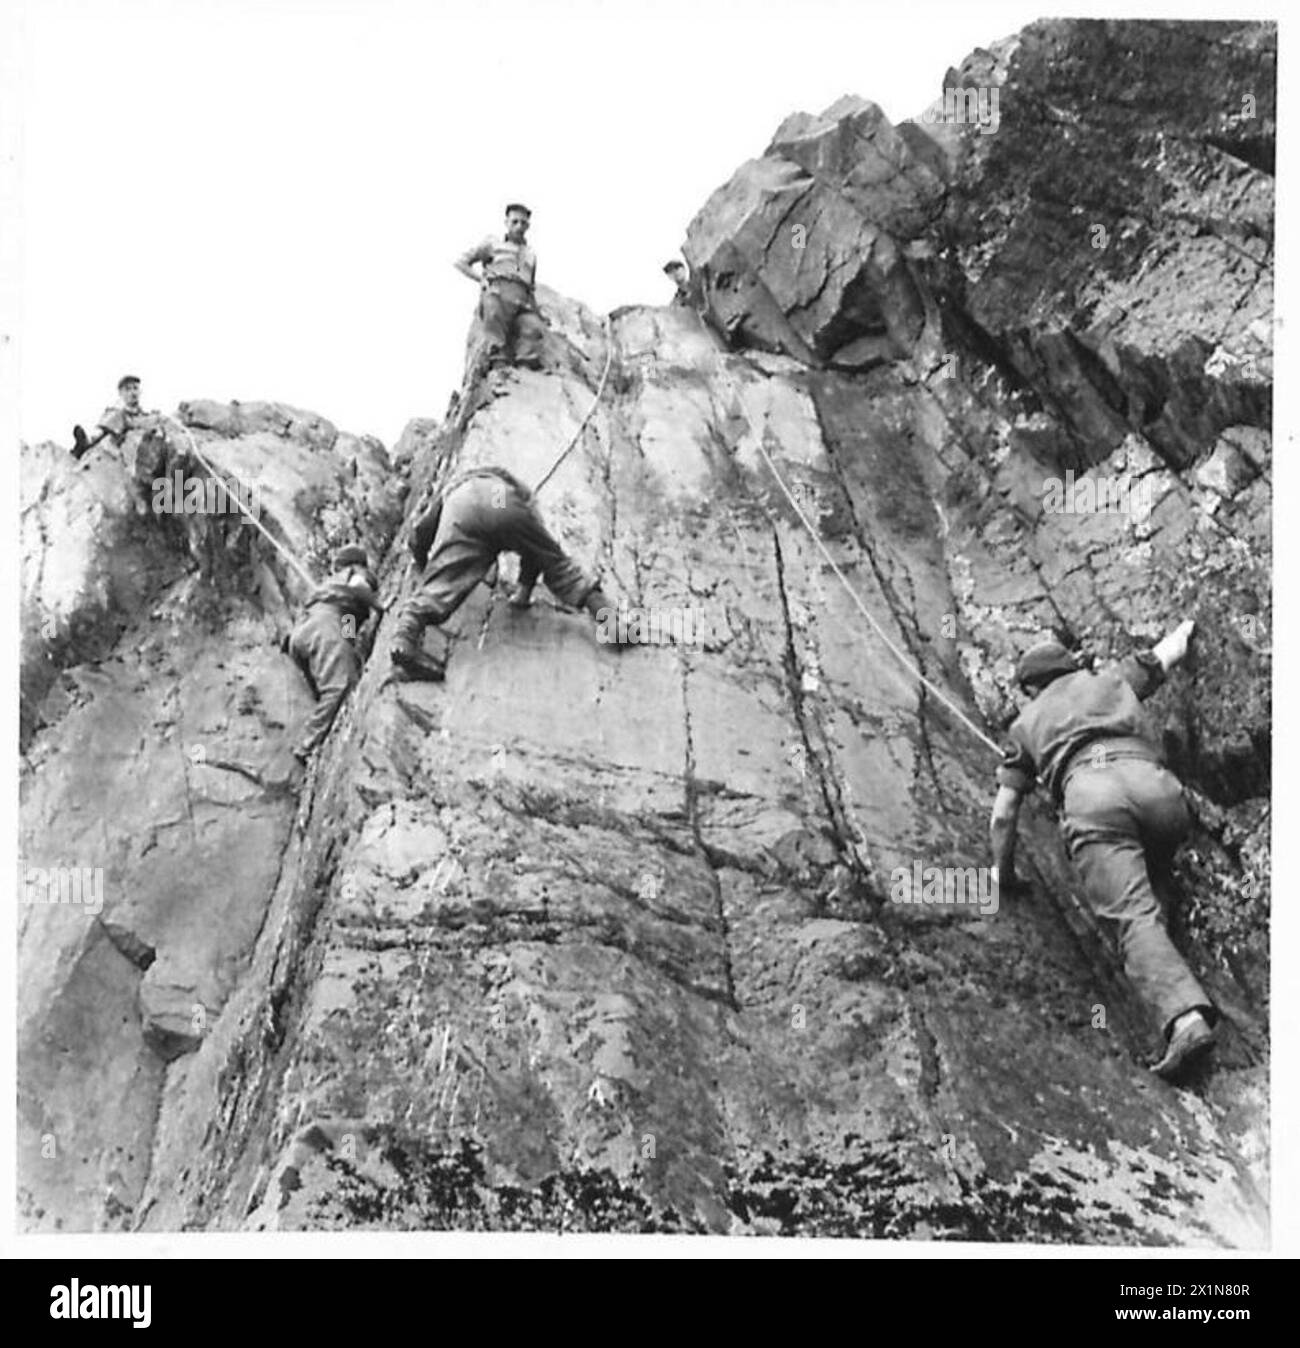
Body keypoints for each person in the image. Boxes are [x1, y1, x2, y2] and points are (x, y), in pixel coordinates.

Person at [988, 621, 1218, 1082]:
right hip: (1160, 794)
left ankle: (1185, 1019)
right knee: (1150, 883)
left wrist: (1003, 874)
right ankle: (1167, 954)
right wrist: (1190, 627)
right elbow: (1167, 652)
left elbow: (1004, 813)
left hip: (1096, 802)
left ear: (1031, 687)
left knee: (1130, 917)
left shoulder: (1026, 723)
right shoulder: (1111, 679)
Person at [390, 465, 612, 681]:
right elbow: (536, 553)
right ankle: (610, 620)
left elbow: (421, 532)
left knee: (443, 583)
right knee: (556, 563)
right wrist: (523, 594)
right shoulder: (513, 492)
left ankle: (404, 638)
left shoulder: (462, 483)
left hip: (462, 504)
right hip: (503, 503)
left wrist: (423, 563)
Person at [286, 546, 383, 762]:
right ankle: (306, 745)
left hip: (302, 634)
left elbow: (347, 636)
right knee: (340, 685)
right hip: (324, 627)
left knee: (327, 694)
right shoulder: (356, 573)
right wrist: (379, 606)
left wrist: (355, 656)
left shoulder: (333, 589)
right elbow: (358, 586)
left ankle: (316, 738)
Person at [455, 203, 545, 371]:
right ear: (506, 223)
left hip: (522, 298)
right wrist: (481, 279)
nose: (519, 226)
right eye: (514, 221)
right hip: (499, 292)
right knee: (494, 316)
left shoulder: (530, 254)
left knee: (532, 327)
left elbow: (531, 287)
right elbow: (461, 262)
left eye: (523, 223)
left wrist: (538, 312)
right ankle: (498, 363)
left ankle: (524, 367)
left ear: (528, 226)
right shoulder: (493, 244)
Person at [72, 375, 162, 460]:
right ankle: (86, 443)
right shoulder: (118, 413)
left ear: (140, 391)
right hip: (119, 440)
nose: (133, 392)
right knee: (114, 416)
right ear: (121, 393)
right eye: (128, 389)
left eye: (135, 388)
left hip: (138, 446)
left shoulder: (146, 414)